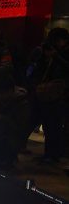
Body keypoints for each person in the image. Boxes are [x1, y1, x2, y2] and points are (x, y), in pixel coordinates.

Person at [30, 27, 69, 162]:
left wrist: (56, 56)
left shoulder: (63, 53)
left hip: (59, 94)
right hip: (49, 93)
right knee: (48, 125)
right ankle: (49, 154)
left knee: (54, 125)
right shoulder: (53, 53)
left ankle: (54, 154)